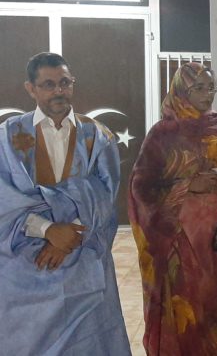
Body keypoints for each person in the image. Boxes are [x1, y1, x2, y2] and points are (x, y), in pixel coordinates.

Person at [0, 52, 131, 355]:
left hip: (81, 264)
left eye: (65, 83)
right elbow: (4, 196)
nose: (58, 91)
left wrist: (68, 236)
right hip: (26, 270)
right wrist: (48, 230)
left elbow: (105, 194)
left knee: (88, 343)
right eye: (48, 85)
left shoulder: (97, 136)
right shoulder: (8, 137)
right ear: (31, 89)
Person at [128, 62, 217, 355]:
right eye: (199, 87)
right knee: (183, 317)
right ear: (181, 90)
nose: (207, 94)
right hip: (179, 246)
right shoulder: (162, 134)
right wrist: (188, 186)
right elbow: (141, 187)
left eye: (211, 87)